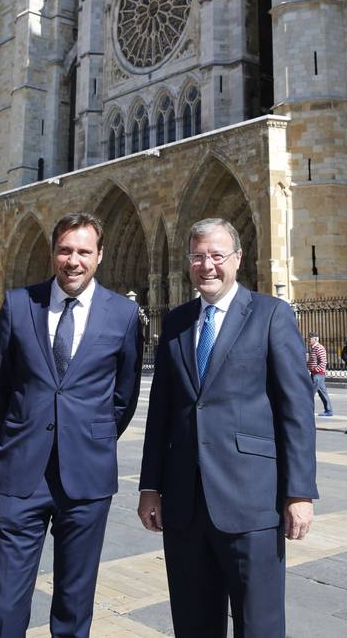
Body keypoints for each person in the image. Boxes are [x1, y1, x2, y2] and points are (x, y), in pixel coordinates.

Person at [138, 218, 317, 638]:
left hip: (252, 500)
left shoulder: (271, 314)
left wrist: (299, 492)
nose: (207, 265)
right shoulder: (178, 323)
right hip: (184, 502)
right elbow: (160, 410)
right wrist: (150, 486)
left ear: (237, 259)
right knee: (193, 623)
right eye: (198, 256)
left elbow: (296, 412)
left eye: (217, 256)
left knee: (259, 624)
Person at [0, 211, 142, 638]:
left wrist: (92, 436)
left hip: (87, 474)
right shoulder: (19, 304)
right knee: (5, 599)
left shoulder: (123, 314)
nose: (73, 260)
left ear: (100, 256)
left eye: (83, 251)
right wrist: (22, 433)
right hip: (22, 472)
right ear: (54, 253)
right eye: (65, 250)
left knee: (75, 600)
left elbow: (123, 396)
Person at [307, 332, 334, 416]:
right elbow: (311, 362)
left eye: (310, 338)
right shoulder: (313, 348)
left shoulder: (319, 348)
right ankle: (329, 410)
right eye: (308, 338)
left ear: (315, 339)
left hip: (318, 374)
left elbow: (323, 362)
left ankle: (308, 410)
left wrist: (315, 369)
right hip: (315, 374)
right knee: (322, 392)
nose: (308, 340)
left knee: (310, 392)